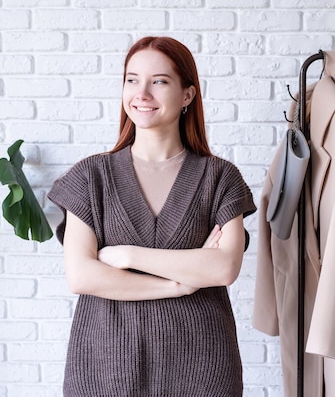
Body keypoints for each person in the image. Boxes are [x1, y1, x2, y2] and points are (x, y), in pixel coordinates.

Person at [48, 36, 256, 397]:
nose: (141, 93)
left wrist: (128, 256)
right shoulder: (90, 176)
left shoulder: (220, 178)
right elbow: (81, 275)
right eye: (132, 80)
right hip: (106, 367)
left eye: (159, 81)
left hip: (201, 367)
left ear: (188, 94)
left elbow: (223, 268)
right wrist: (178, 284)